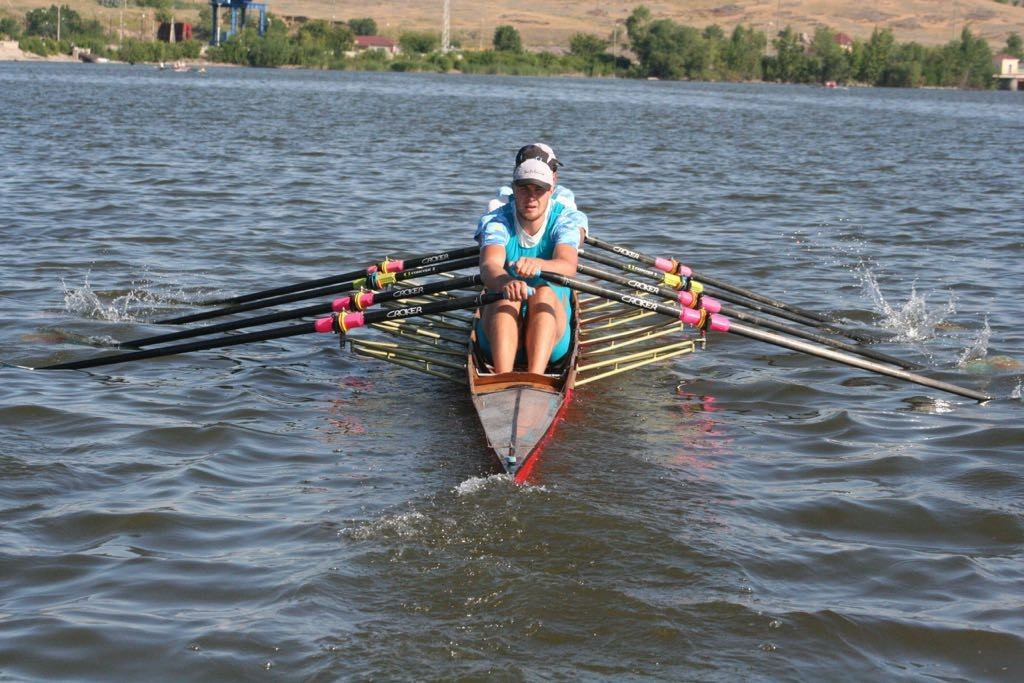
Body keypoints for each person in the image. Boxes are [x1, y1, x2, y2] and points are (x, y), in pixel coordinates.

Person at [474, 152, 589, 375]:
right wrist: (506, 281)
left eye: (539, 190)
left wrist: (539, 264)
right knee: (507, 297)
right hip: (497, 337)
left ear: (551, 191)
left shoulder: (565, 221)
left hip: (553, 341)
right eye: (524, 189)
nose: (531, 197)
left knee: (543, 292)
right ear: (513, 189)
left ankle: (535, 378)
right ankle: (502, 378)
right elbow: (489, 266)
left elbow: (568, 265)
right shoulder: (497, 222)